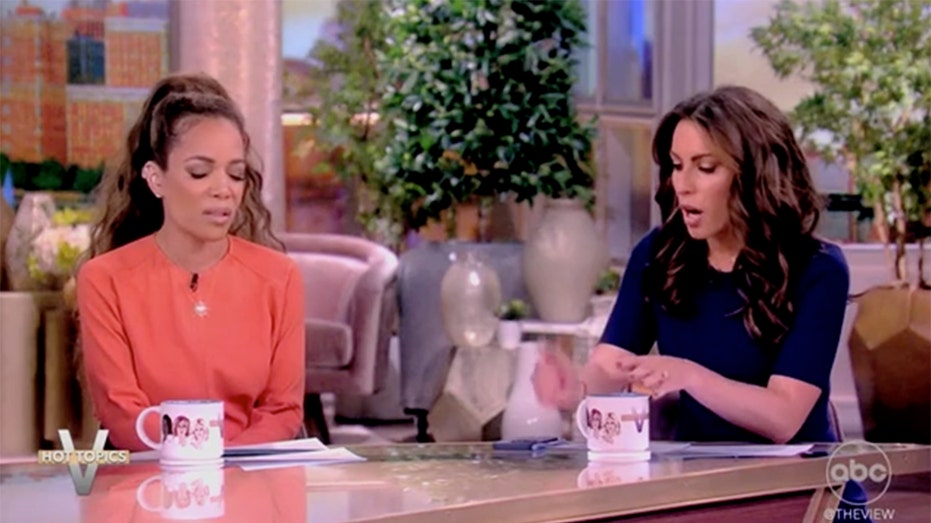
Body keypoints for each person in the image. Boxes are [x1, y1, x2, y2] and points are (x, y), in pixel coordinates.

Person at [533, 85, 870, 516]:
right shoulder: (659, 255)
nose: (683, 185)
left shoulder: (818, 268)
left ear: (754, 175)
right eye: (677, 166)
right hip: (703, 491)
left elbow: (784, 418)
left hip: (805, 495)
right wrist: (575, 389)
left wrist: (689, 375)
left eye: (705, 168)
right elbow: (610, 367)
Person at [76, 73, 306, 451]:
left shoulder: (279, 277)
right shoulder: (105, 279)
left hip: (249, 471)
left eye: (236, 174)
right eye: (199, 172)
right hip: (151, 473)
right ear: (156, 179)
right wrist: (198, 457)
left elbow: (283, 409)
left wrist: (230, 462)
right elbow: (121, 413)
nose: (223, 190)